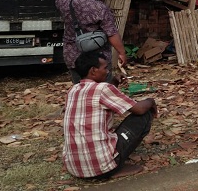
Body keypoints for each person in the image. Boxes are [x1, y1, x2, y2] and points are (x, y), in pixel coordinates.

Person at [63, 51, 157, 179]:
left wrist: (114, 82)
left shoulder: (72, 90)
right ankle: (116, 166)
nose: (107, 71)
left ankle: (109, 162)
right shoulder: (103, 89)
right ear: (93, 70)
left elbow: (101, 97)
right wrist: (151, 101)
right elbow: (139, 109)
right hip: (102, 168)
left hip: (75, 168)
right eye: (105, 68)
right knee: (144, 115)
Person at [55, 0, 127, 84]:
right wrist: (121, 52)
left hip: (73, 57)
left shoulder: (65, 4)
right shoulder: (99, 7)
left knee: (81, 89)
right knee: (102, 91)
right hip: (98, 60)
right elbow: (111, 33)